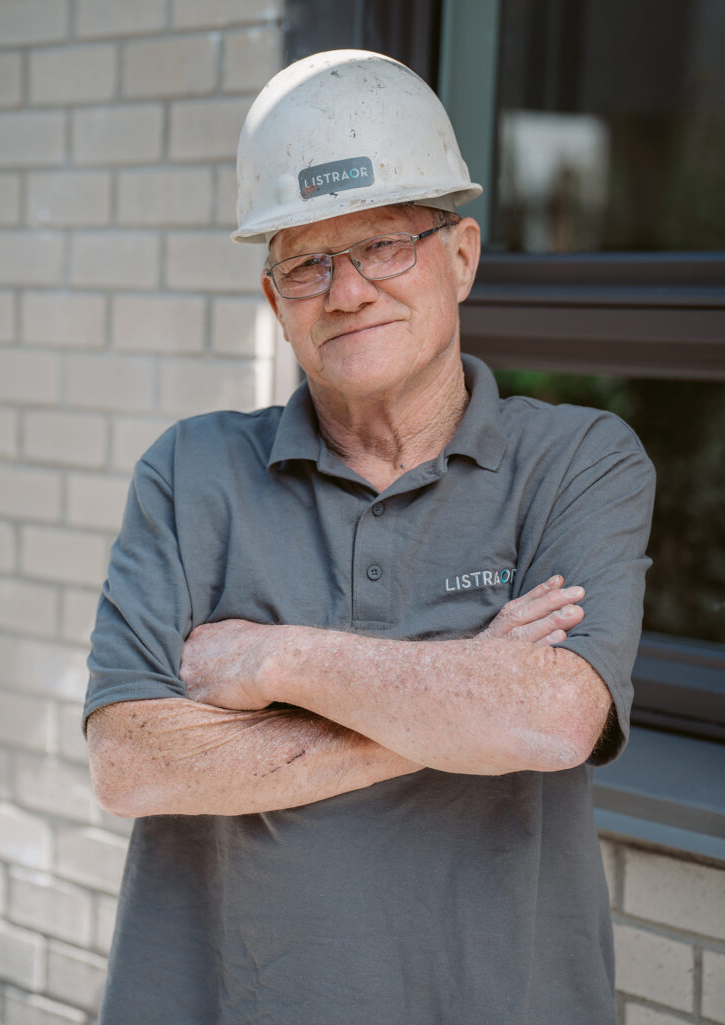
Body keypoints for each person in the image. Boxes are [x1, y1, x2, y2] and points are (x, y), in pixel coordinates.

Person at [85, 50, 655, 1025]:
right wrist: (461, 689)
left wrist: (270, 655)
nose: (347, 291)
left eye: (385, 243)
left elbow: (554, 717)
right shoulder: (190, 473)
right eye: (307, 261)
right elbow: (133, 763)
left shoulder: (578, 461)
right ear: (276, 303)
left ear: (462, 255)